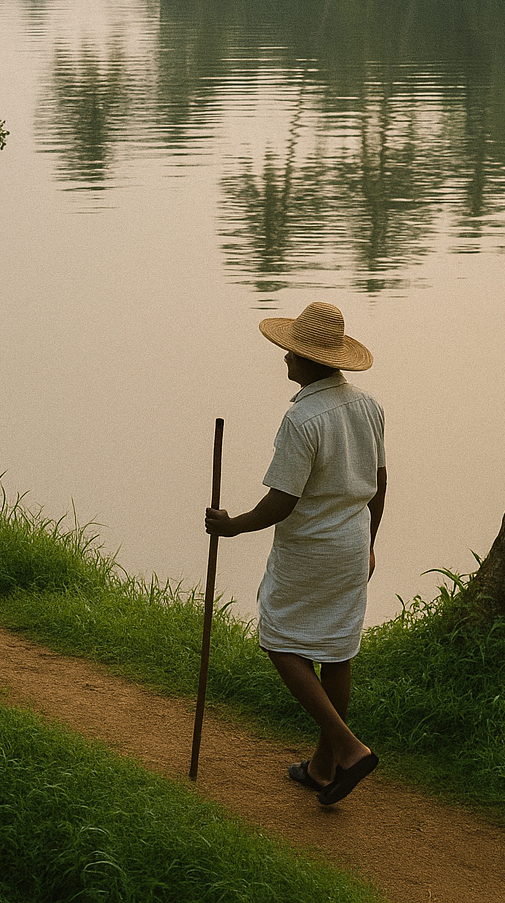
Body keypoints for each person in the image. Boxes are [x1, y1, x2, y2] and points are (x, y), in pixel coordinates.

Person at [206, 300, 386, 806]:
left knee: (278, 638)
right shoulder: (368, 406)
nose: (285, 358)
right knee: (336, 650)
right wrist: (371, 542)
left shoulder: (302, 418)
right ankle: (324, 769)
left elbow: (281, 502)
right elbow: (379, 482)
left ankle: (349, 748)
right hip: (352, 544)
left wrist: (231, 527)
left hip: (310, 549)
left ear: (309, 360)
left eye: (291, 352)